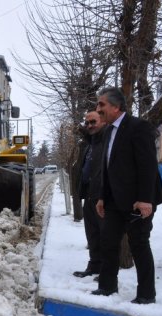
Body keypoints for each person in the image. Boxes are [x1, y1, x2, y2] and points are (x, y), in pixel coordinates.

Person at [92, 87, 162, 304]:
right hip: (114, 199)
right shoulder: (108, 131)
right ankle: (107, 286)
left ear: (116, 107)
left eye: (102, 105)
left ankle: (146, 294)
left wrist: (145, 199)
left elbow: (147, 166)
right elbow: (108, 167)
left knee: (139, 245)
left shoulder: (139, 127)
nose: (98, 109)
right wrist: (102, 197)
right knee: (108, 242)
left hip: (138, 200)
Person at [72, 111, 106, 278]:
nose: (90, 125)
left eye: (93, 122)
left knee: (104, 234)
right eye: (87, 123)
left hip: (102, 196)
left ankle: (106, 270)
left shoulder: (106, 142)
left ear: (103, 122)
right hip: (89, 194)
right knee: (92, 233)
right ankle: (94, 265)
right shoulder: (90, 143)